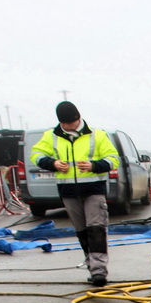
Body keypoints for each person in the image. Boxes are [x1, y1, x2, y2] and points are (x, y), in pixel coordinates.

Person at [30, 101, 120, 287]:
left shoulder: (98, 135)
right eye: (63, 123)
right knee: (82, 231)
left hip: (94, 190)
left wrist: (94, 166)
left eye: (70, 123)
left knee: (96, 229)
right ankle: (91, 265)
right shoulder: (51, 136)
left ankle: (99, 272)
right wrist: (52, 163)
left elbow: (113, 159)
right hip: (69, 191)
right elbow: (36, 154)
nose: (67, 126)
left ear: (78, 118)